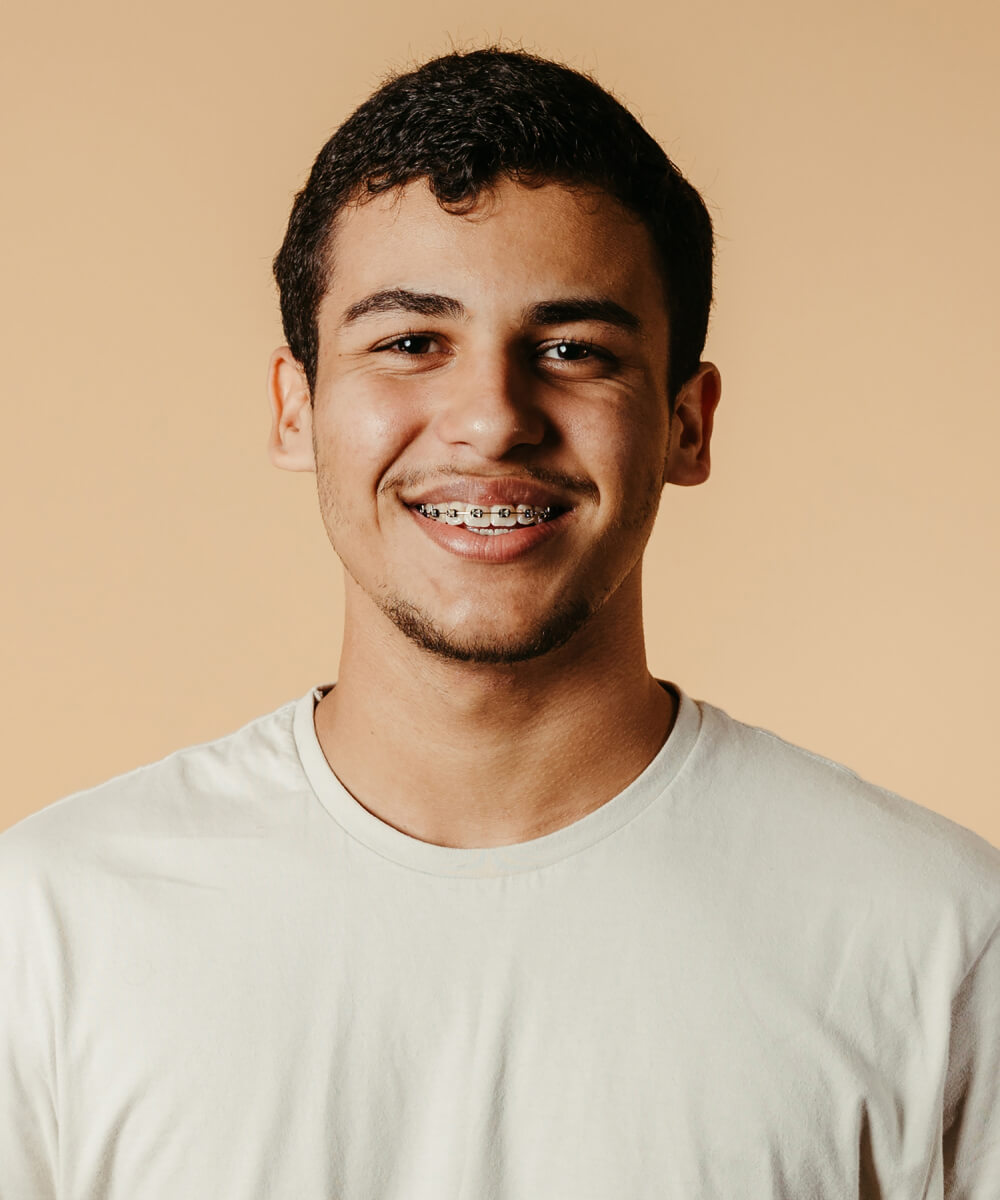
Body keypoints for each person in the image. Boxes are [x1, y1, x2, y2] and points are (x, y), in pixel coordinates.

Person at [1, 46, 998, 1200]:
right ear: (297, 406)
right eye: (410, 342)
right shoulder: (51, 929)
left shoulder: (934, 940)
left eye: (574, 351)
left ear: (685, 423)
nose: (490, 418)